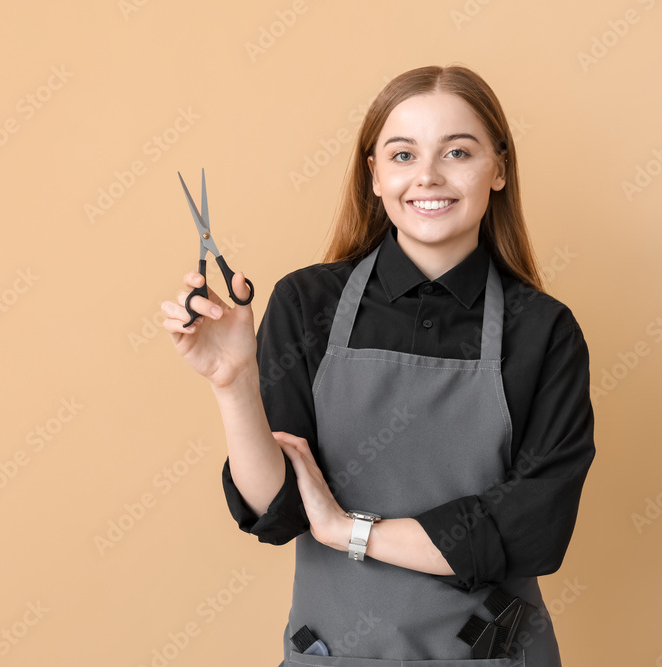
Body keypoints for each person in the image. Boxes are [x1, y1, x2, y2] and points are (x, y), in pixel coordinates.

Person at [162, 64, 596, 666]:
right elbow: (280, 509)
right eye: (402, 155)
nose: (427, 176)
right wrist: (233, 384)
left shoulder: (543, 330)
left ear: (498, 168)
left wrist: (349, 532)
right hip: (336, 652)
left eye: (458, 152)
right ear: (374, 174)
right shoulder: (307, 303)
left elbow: (534, 528)